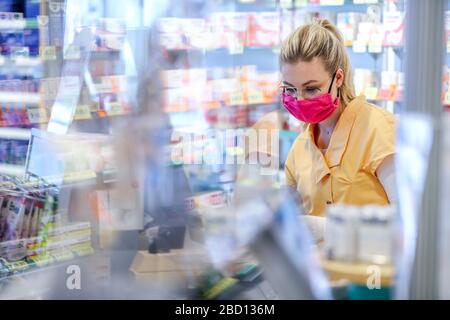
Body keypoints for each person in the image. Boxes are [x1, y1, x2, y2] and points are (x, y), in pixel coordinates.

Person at [281, 19, 396, 216]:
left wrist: (328, 230)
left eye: (311, 89)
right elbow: (290, 226)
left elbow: (411, 223)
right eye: (290, 89)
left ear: (339, 78)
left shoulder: (379, 131)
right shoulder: (300, 149)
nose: (300, 100)